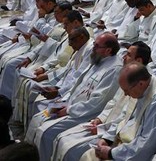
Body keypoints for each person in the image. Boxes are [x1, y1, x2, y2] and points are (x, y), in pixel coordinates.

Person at [27, 32, 124, 161]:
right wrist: (63, 101)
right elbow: (78, 85)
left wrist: (68, 109)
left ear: (108, 50)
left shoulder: (114, 69)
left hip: (84, 113)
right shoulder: (97, 59)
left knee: (46, 133)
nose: (93, 48)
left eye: (96, 46)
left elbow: (97, 102)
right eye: (94, 44)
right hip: (70, 105)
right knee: (37, 118)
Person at [91, 62, 156, 160]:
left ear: (140, 84)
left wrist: (112, 153)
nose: (125, 95)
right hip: (124, 145)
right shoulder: (142, 87)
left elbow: (147, 144)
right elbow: (124, 117)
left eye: (126, 91)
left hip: (136, 154)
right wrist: (107, 139)